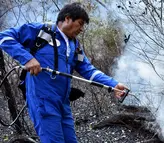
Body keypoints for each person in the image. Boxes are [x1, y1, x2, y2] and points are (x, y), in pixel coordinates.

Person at [0, 2, 127, 143]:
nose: (82, 29)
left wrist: (114, 84)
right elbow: (5, 37)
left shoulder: (75, 46)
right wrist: (27, 59)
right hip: (43, 102)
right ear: (67, 19)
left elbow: (88, 71)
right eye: (80, 23)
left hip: (63, 103)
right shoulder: (41, 31)